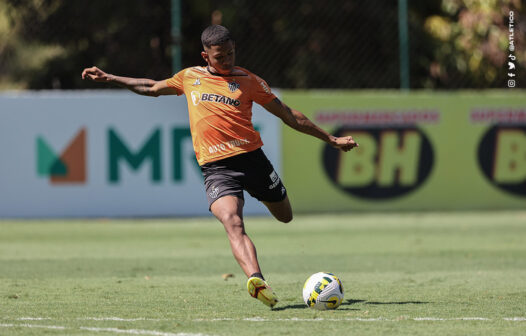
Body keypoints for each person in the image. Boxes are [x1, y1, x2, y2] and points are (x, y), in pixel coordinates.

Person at [82, 24, 358, 309]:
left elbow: (288, 114)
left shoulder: (249, 81)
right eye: (219, 57)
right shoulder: (189, 77)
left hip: (253, 160)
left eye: (230, 54)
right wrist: (110, 77)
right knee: (233, 222)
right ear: (205, 56)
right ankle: (256, 280)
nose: (226, 61)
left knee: (285, 216)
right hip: (216, 168)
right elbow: (150, 87)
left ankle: (258, 263)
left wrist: (331, 139)